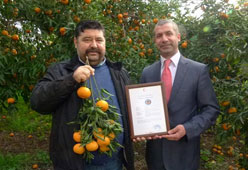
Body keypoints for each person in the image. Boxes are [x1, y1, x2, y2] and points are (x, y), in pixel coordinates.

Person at [30, 20, 134, 170]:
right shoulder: (61, 70)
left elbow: (129, 110)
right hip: (75, 164)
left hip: (113, 163)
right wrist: (70, 79)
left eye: (99, 40)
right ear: (75, 42)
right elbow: (37, 102)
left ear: (105, 43)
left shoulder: (119, 72)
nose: (93, 45)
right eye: (87, 39)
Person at [139, 19, 220, 170]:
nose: (164, 39)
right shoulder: (148, 72)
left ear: (178, 37)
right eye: (159, 36)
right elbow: (143, 109)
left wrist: (188, 128)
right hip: (155, 156)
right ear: (155, 41)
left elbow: (211, 109)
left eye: (168, 34)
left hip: (185, 155)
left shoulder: (198, 70)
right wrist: (141, 128)